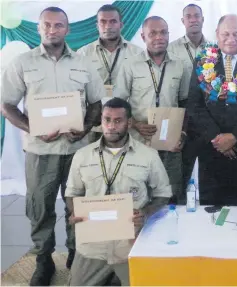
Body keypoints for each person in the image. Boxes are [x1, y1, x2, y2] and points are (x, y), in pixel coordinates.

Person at [0, 7, 105, 285]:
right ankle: (44, 260)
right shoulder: (23, 63)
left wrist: (84, 126)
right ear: (38, 28)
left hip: (77, 151)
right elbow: (7, 105)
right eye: (47, 25)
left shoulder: (83, 63)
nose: (52, 30)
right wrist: (32, 128)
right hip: (40, 152)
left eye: (59, 25)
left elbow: (96, 103)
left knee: (79, 205)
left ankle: (76, 254)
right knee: (40, 207)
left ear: (67, 29)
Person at [66, 98, 172, 286]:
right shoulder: (82, 156)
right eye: (107, 119)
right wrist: (74, 211)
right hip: (93, 245)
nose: (111, 126)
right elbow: (72, 193)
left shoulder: (148, 156)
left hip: (130, 244)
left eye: (118, 121)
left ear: (129, 123)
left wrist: (146, 213)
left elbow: (163, 194)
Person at [187, 14, 237, 206]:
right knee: (209, 207)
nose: (231, 39)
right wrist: (217, 138)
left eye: (236, 34)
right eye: (225, 34)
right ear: (216, 34)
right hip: (210, 148)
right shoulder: (201, 63)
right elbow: (194, 104)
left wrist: (234, 137)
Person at [114, 16, 189, 203]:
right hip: (139, 141)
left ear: (169, 35)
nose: (158, 37)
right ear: (143, 36)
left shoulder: (180, 65)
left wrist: (184, 133)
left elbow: (186, 103)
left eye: (163, 32)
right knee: (138, 195)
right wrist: (135, 124)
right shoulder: (130, 65)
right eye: (152, 33)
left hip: (170, 142)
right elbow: (117, 104)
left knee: (172, 193)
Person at [77, 4, 143, 142]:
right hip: (93, 125)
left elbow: (140, 90)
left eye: (113, 21)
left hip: (125, 124)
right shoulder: (83, 54)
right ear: (97, 25)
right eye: (103, 21)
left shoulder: (137, 53)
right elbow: (77, 90)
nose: (108, 26)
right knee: (94, 162)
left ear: (121, 24)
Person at [167, 3, 209, 193]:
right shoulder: (171, 49)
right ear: (183, 21)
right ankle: (182, 204)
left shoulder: (214, 49)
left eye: (197, 16)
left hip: (209, 110)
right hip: (182, 110)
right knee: (183, 160)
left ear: (202, 19)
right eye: (189, 16)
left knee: (209, 159)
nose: (193, 19)